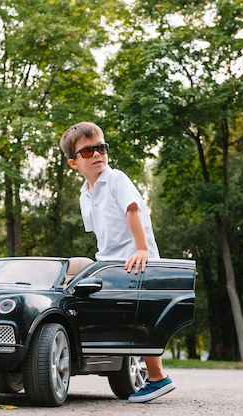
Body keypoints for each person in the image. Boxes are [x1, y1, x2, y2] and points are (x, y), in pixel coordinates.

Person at [59, 121, 176, 403]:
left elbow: (132, 210)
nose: (98, 154)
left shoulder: (116, 179)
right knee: (71, 282)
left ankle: (158, 377)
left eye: (101, 148)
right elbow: (101, 230)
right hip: (110, 261)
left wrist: (142, 249)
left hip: (134, 258)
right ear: (74, 163)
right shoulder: (85, 194)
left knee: (140, 318)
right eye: (88, 152)